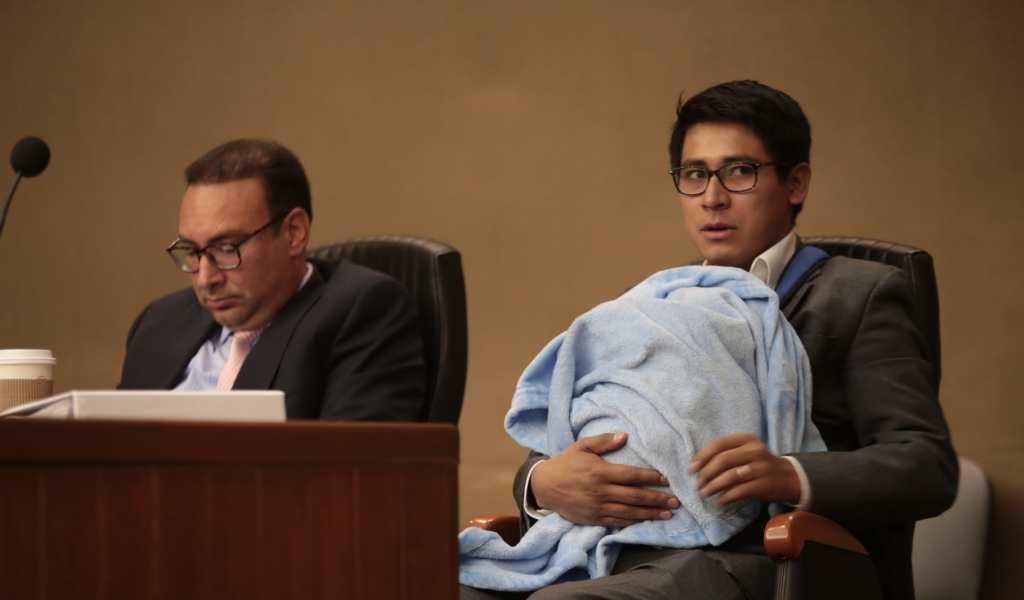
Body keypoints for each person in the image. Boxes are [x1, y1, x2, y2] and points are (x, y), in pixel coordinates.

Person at [462, 80, 957, 600]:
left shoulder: (859, 295)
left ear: (795, 183)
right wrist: (542, 483)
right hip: (615, 552)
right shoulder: (653, 305)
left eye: (739, 171)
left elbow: (926, 466)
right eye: (695, 175)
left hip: (766, 563)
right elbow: (562, 440)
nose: (712, 198)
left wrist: (789, 474)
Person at [119, 139, 426, 421]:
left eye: (226, 248)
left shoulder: (360, 313)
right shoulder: (159, 324)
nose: (205, 279)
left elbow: (351, 458)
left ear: (294, 233)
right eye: (191, 251)